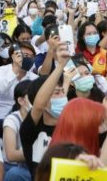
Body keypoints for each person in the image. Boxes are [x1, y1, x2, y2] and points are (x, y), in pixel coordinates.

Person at [20, 41, 70, 177]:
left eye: (62, 92)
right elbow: (39, 106)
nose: (62, 97)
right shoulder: (30, 131)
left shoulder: (73, 126)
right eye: (55, 93)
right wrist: (60, 66)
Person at [0, 42, 38, 137]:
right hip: (0, 118)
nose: (28, 58)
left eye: (31, 56)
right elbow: (0, 90)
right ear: (13, 56)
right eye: (25, 55)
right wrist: (16, 69)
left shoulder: (34, 78)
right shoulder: (0, 71)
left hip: (24, 119)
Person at [2, 80, 32, 181]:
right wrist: (40, 152)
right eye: (33, 96)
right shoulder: (12, 120)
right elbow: (11, 155)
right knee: (14, 174)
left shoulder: (43, 117)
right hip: (13, 166)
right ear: (21, 101)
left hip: (33, 164)